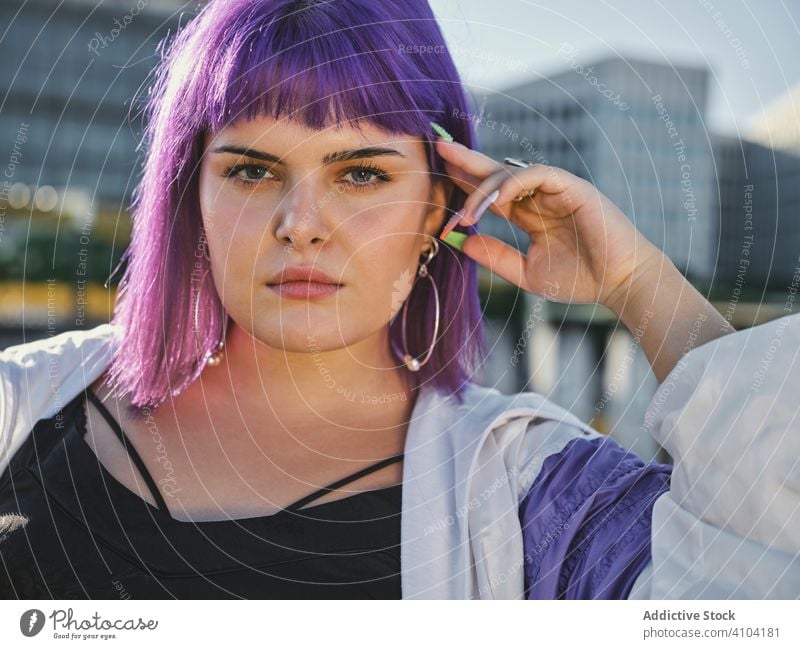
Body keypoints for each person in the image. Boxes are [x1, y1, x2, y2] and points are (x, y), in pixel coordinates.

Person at [1, 0, 798, 599]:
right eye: (251, 169)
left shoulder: (531, 494)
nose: (301, 225)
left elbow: (760, 579)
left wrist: (638, 283)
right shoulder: (25, 406)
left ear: (438, 208)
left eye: (361, 174)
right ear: (191, 202)